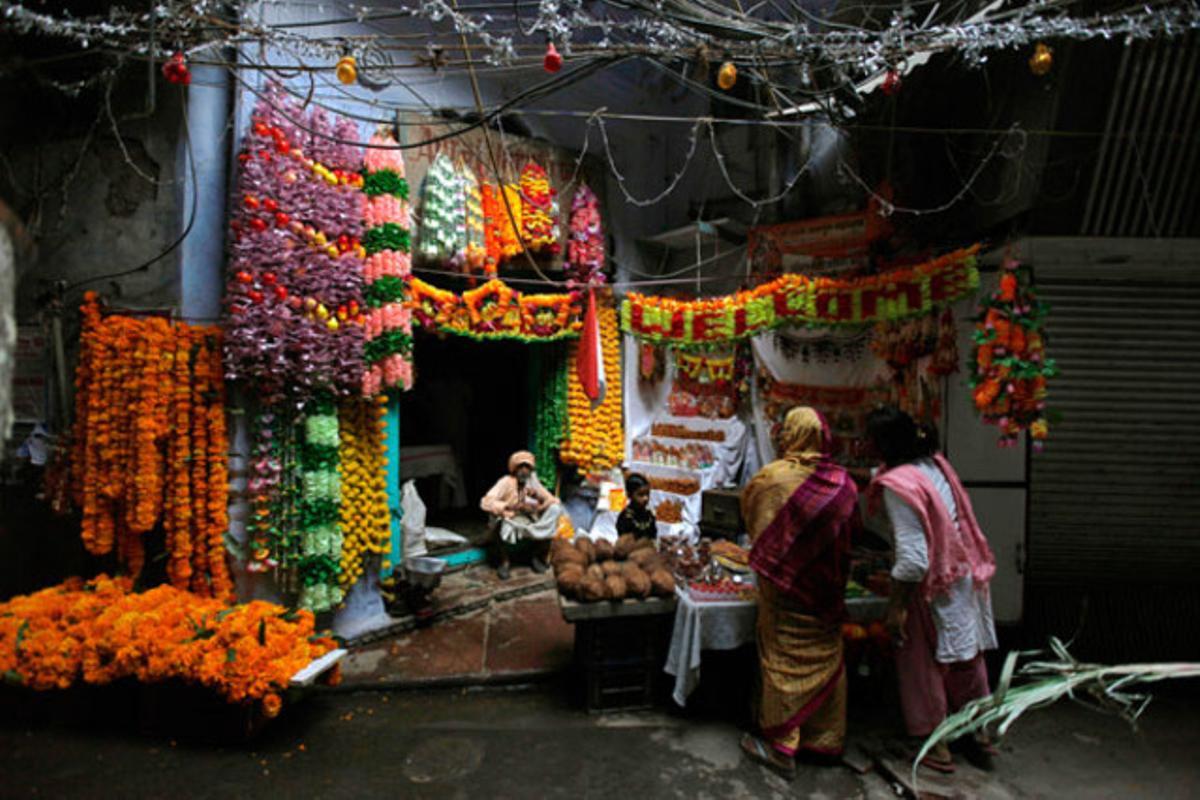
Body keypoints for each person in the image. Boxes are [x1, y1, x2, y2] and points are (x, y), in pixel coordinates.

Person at [866, 406, 999, 773]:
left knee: (922, 665)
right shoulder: (936, 464)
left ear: (883, 445)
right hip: (962, 572)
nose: (863, 445)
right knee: (967, 658)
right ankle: (978, 736)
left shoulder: (898, 487)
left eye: (869, 439)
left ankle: (934, 745)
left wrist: (897, 607)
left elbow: (913, 560)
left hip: (932, 585)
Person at [738, 407, 862, 780]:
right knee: (826, 654)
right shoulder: (845, 483)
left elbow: (751, 514)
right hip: (827, 588)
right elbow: (853, 533)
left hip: (784, 586)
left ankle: (782, 745)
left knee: (783, 658)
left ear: (789, 435)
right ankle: (824, 739)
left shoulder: (772, 479)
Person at [480, 451, 562, 580]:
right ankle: (504, 562)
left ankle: (535, 557)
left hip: (526, 520)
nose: (524, 471)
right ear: (514, 469)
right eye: (521, 467)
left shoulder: (531, 483)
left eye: (527, 467)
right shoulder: (506, 482)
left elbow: (553, 500)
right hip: (509, 519)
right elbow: (486, 502)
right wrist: (510, 507)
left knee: (555, 510)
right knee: (503, 523)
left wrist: (538, 506)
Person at [615, 473, 656, 540]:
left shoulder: (649, 516)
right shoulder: (626, 518)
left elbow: (653, 536)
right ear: (629, 495)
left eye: (647, 494)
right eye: (641, 495)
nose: (646, 498)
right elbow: (625, 541)